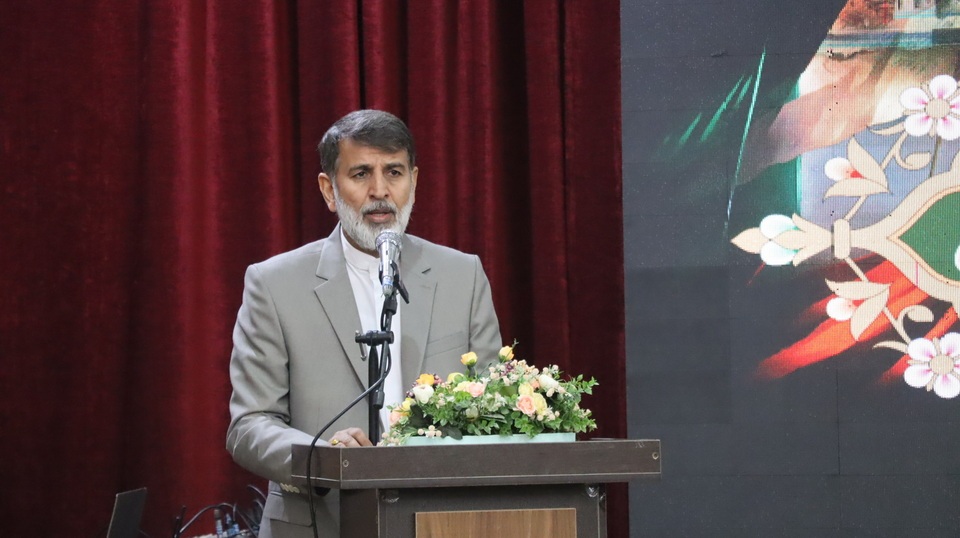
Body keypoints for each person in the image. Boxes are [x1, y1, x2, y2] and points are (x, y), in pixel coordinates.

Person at [226, 109, 502, 537]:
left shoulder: (462, 276)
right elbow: (249, 425)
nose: (380, 191)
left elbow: (494, 409)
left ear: (414, 181)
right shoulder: (274, 284)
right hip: (318, 522)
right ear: (329, 190)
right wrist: (323, 457)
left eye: (394, 172)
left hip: (441, 521)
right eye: (360, 174)